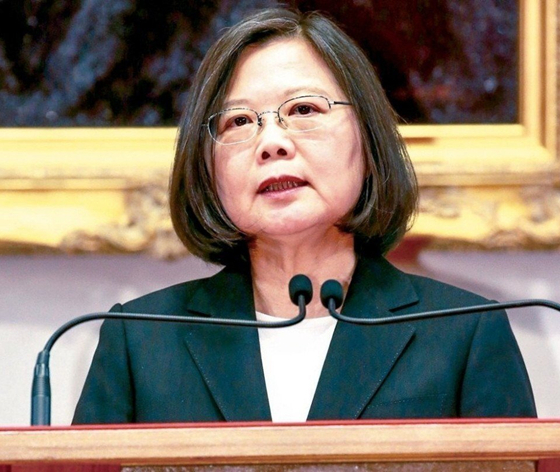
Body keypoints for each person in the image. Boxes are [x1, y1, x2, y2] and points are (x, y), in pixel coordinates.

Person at [73, 8, 536, 424]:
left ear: (368, 139)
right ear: (208, 167)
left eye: (304, 109)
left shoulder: (464, 334)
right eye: (239, 121)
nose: (272, 142)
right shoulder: (141, 340)